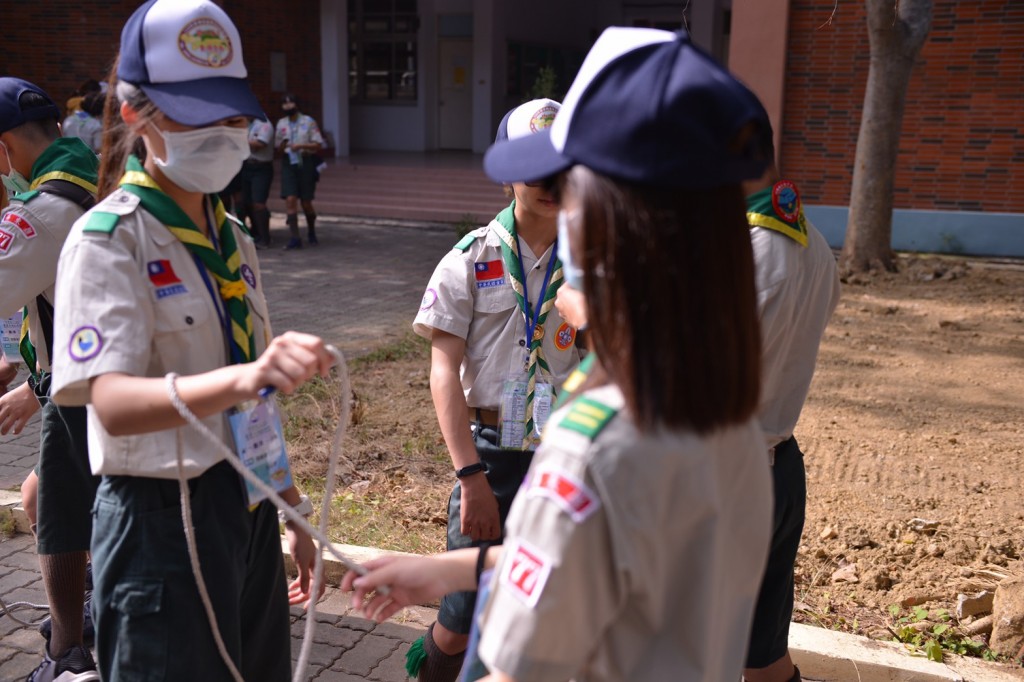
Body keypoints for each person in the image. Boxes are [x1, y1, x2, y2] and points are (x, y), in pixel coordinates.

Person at [345, 27, 775, 682]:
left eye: (572, 184)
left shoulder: (591, 445)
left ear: (607, 217)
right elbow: (601, 570)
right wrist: (442, 571)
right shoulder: (726, 418)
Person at [49, 1, 329, 679]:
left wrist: (291, 510)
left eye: (231, 113)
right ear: (134, 113)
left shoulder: (231, 239)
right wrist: (247, 377)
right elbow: (110, 402)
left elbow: (249, 397)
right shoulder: (109, 241)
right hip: (158, 525)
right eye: (195, 112)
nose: (224, 131)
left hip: (246, 509)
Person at [408, 98, 582, 681]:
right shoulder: (469, 258)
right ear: (507, 171)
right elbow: (442, 373)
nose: (550, 183)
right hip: (488, 458)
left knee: (539, 610)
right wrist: (471, 477)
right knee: (460, 614)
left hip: (560, 457)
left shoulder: (590, 267)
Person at [0, 75, 101, 682]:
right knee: (44, 497)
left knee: (61, 511)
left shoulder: (40, 213)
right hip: (107, 380)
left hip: (85, 394)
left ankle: (67, 655)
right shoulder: (94, 187)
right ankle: (87, 614)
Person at [741, 130, 840, 682]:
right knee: (764, 653)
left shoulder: (741, 256)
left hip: (719, 473)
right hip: (781, 468)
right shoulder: (817, 245)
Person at [275, 93, 323, 249]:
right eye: (284, 104)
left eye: (290, 103)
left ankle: (311, 230)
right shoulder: (281, 124)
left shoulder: (308, 122)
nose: (288, 106)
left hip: (305, 162)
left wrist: (301, 146)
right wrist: (283, 145)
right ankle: (295, 237)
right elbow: (278, 147)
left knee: (306, 202)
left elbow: (318, 144)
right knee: (290, 199)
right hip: (289, 163)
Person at [240, 110, 275, 248]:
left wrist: (239, 140)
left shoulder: (264, 124)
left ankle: (265, 238)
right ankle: (255, 233)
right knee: (246, 202)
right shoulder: (247, 124)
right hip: (246, 165)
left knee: (258, 203)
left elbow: (261, 144)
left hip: (261, 167)